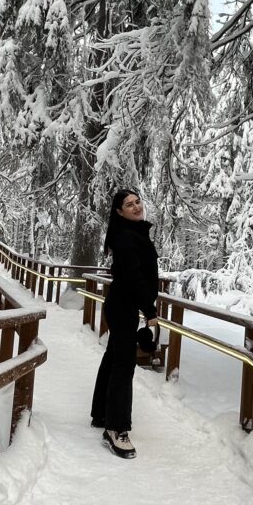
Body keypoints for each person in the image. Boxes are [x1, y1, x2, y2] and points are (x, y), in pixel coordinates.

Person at [91, 188, 159, 459]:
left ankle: (101, 414)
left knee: (114, 358)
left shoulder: (132, 233)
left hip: (122, 305)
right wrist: (150, 309)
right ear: (119, 211)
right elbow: (133, 277)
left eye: (137, 201)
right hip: (124, 307)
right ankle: (116, 428)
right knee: (123, 365)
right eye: (129, 204)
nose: (136, 206)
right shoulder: (127, 237)